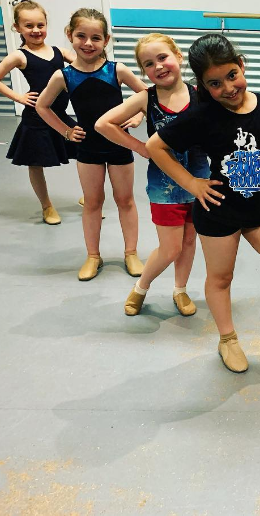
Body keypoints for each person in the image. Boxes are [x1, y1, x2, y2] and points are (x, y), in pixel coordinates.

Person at [146, 33, 260, 373]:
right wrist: (192, 183)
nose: (227, 88)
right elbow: (155, 146)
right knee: (221, 277)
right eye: (215, 83)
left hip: (258, 211)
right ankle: (227, 339)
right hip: (218, 212)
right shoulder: (202, 116)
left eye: (231, 75)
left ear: (241, 65)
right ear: (203, 86)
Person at [95, 33, 209, 317]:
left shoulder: (202, 95)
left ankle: (180, 289)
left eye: (162, 57)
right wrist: (141, 148)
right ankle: (141, 287)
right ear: (144, 71)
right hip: (164, 186)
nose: (157, 66)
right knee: (170, 248)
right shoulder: (146, 98)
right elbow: (103, 124)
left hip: (199, 181)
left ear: (178, 56)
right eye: (148, 64)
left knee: (189, 241)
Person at [36, 8, 147, 281]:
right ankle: (93, 255)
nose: (88, 43)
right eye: (81, 36)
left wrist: (137, 116)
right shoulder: (63, 76)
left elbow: (147, 94)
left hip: (119, 144)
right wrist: (65, 131)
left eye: (96, 38)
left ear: (106, 40)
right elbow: (42, 106)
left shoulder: (116, 70)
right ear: (70, 35)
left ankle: (131, 253)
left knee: (125, 200)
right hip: (88, 148)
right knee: (93, 202)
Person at [0, 0, 76, 225]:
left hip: (60, 115)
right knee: (35, 163)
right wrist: (19, 97)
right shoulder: (20, 56)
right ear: (17, 27)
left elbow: (86, 66)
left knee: (86, 152)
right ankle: (47, 206)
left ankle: (90, 196)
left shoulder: (60, 52)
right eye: (29, 26)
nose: (36, 30)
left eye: (40, 25)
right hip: (36, 118)